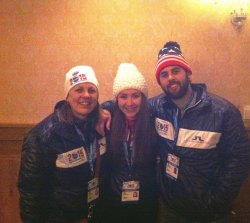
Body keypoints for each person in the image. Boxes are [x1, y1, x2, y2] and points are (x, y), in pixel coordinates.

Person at [149, 41, 250, 223]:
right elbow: (128, 105)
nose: (170, 78)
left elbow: (240, 159)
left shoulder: (222, 112)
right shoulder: (156, 107)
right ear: (159, 81)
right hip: (170, 209)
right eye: (164, 74)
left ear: (188, 73)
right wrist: (105, 111)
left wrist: (217, 200)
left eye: (176, 71)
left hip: (210, 213)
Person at [18, 65, 108, 223]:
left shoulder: (100, 126)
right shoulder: (42, 136)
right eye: (79, 90)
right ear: (67, 95)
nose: (86, 95)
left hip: (95, 215)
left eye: (91, 90)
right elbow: (31, 193)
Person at [102, 63, 158, 223]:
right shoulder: (108, 123)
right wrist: (103, 109)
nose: (130, 102)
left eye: (135, 95)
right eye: (123, 96)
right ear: (116, 99)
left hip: (147, 198)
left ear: (143, 97)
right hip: (114, 198)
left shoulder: (155, 120)